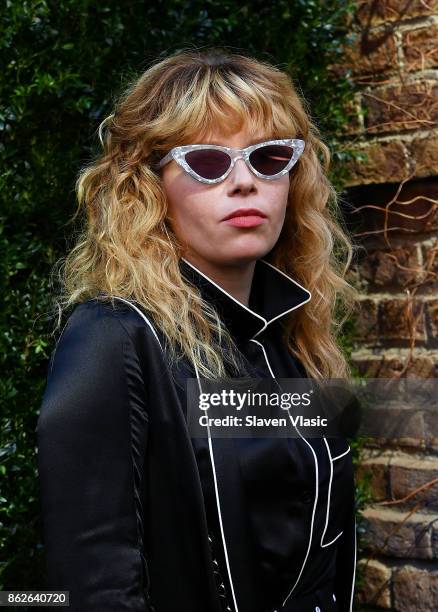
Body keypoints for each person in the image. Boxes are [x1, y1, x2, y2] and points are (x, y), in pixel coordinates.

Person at [37, 47, 359, 612]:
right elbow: (93, 586)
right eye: (208, 162)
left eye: (269, 158)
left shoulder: (295, 342)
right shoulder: (113, 339)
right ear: (149, 185)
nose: (244, 183)